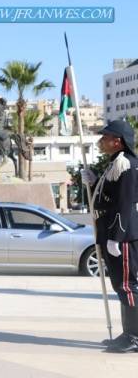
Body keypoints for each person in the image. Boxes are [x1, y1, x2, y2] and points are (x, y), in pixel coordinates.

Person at [82, 120, 138, 353]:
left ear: (118, 141)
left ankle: (134, 337)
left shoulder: (125, 164)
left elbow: (125, 203)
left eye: (106, 137)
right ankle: (129, 334)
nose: (101, 141)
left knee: (127, 286)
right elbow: (109, 198)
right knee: (121, 286)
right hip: (113, 233)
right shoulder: (116, 163)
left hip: (122, 236)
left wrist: (116, 236)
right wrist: (95, 182)